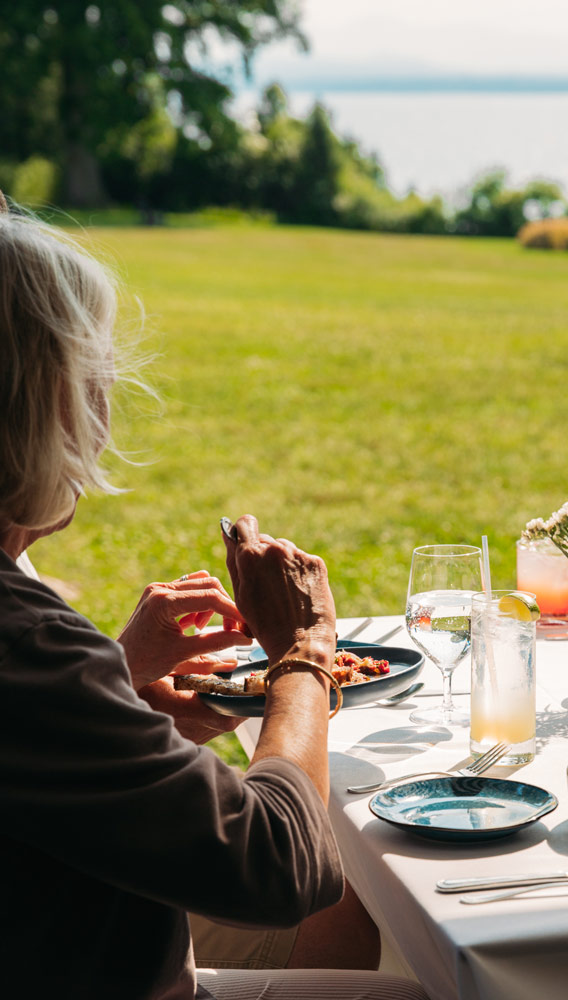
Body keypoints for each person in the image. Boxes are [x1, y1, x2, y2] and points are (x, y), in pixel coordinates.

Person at [0, 193, 427, 1000]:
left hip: (50, 927)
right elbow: (281, 863)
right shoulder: (25, 645)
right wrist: (304, 653)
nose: (106, 412)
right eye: (93, 379)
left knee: (351, 920)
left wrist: (117, 691)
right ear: (39, 413)